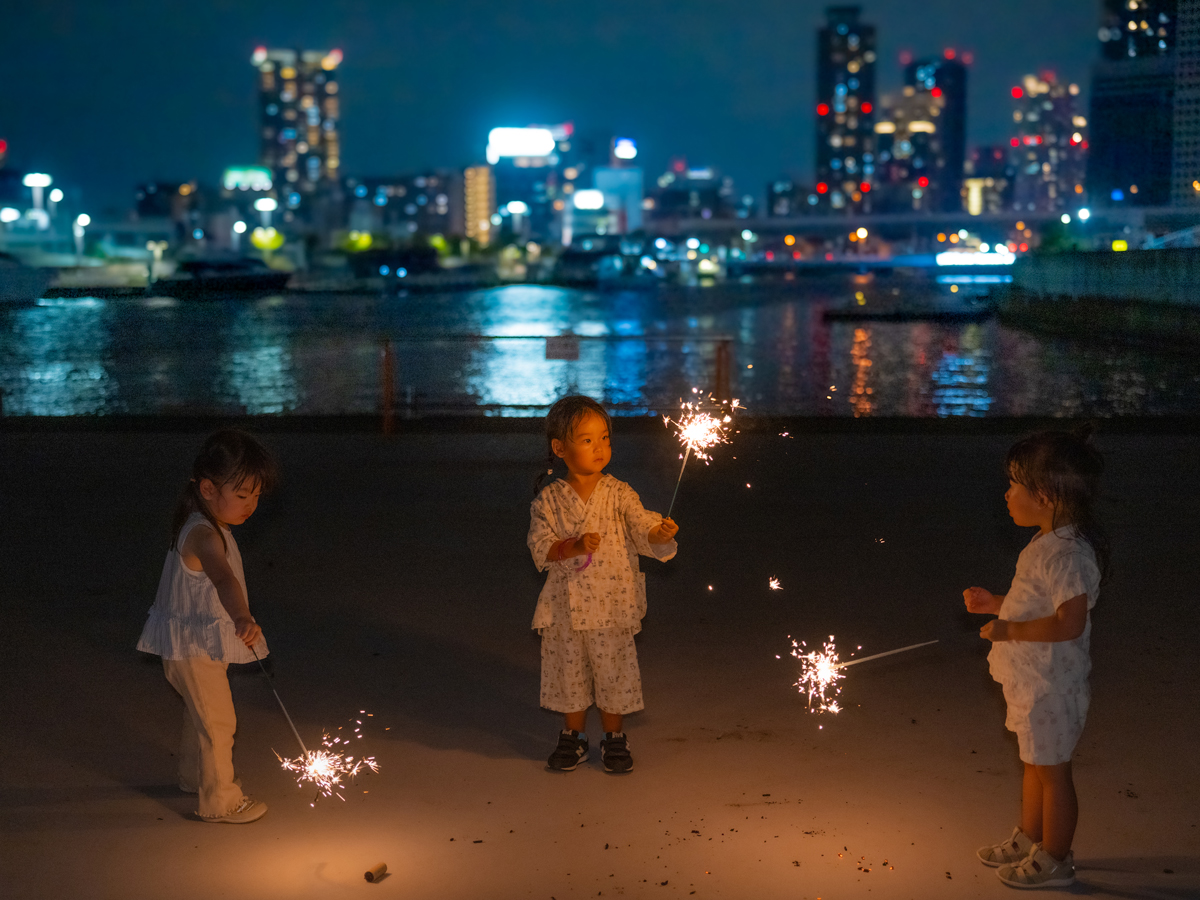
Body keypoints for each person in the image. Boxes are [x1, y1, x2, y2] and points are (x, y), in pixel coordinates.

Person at [964, 428, 1108, 888]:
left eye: (1014, 485)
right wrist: (996, 604)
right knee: (1034, 762)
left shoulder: (1069, 556)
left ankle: (1057, 858)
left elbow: (1069, 623)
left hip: (1052, 686)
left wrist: (1010, 630)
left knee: (1053, 772)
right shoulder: (1045, 543)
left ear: (1044, 496)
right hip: (1032, 682)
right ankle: (1031, 836)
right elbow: (1034, 605)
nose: (1006, 495)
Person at [528, 396, 679, 774]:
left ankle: (614, 736)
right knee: (569, 672)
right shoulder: (548, 500)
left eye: (604, 438)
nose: (599, 447)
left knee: (614, 672)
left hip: (612, 605)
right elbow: (540, 547)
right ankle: (573, 735)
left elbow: (640, 524)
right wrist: (574, 546)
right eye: (587, 440)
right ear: (559, 448)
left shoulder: (619, 493)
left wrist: (658, 533)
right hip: (565, 608)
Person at [137, 429, 279, 823]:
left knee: (199, 712)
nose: (251, 505)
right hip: (192, 648)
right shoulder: (203, 535)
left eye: (256, 496)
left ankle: (192, 775)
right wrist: (242, 617)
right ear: (208, 489)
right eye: (242, 494)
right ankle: (221, 801)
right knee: (218, 721)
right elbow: (223, 578)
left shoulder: (204, 523)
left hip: (190, 643)